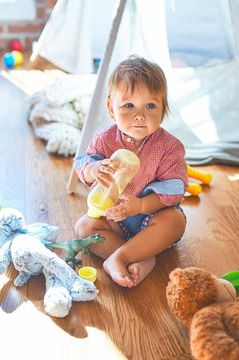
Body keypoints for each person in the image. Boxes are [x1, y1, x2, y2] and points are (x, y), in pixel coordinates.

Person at [73, 55, 188, 288]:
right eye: (128, 105)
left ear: (163, 109)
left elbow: (175, 188)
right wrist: (94, 169)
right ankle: (141, 256)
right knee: (84, 228)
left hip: (151, 217)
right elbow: (82, 163)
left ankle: (121, 257)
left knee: (175, 221)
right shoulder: (104, 139)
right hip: (114, 218)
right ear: (111, 109)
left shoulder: (169, 147)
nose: (139, 115)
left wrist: (141, 206)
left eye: (150, 106)